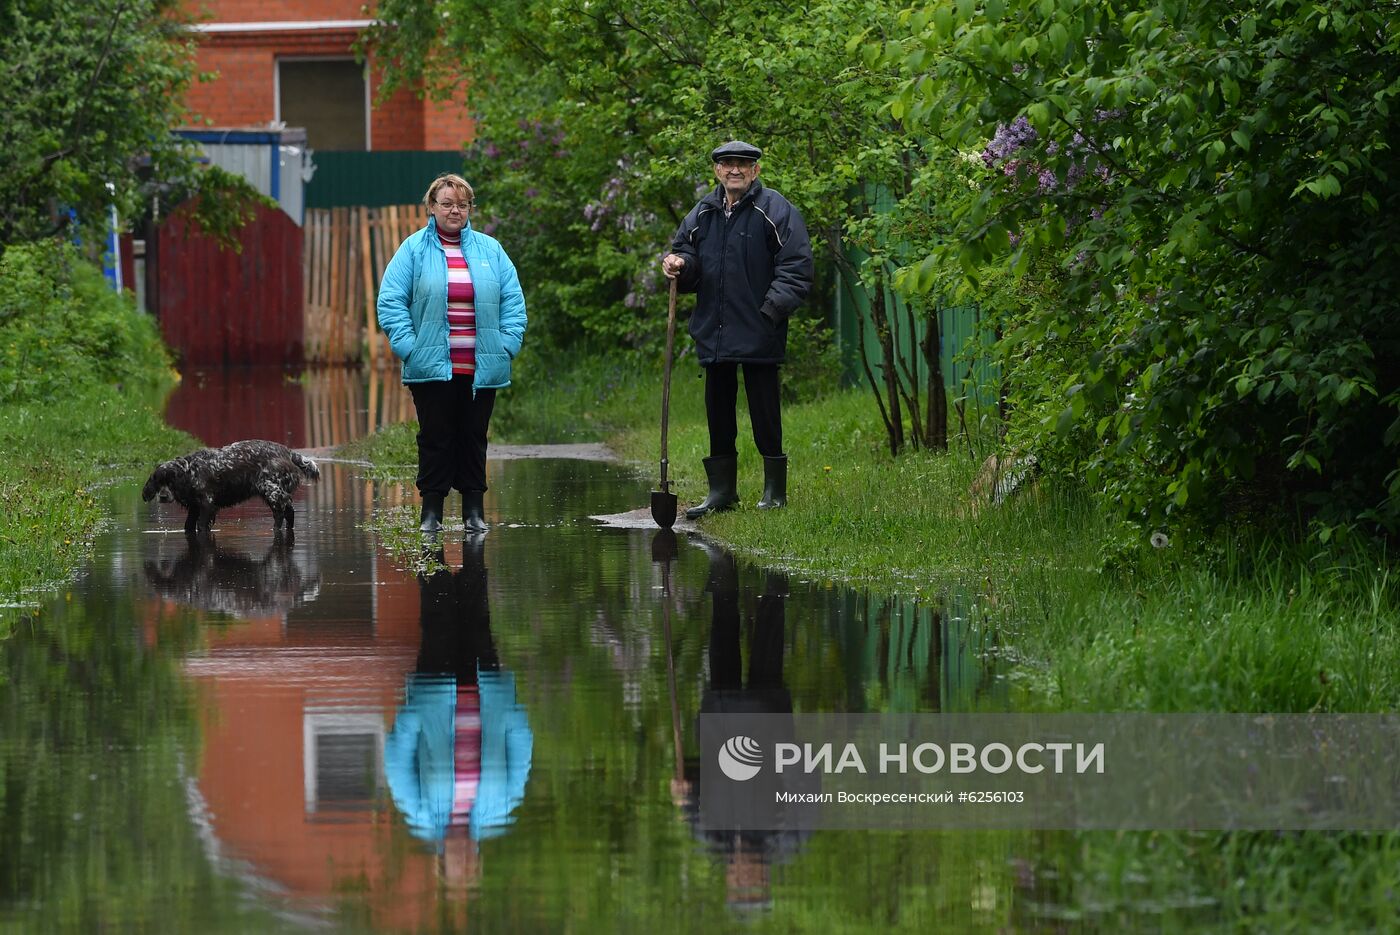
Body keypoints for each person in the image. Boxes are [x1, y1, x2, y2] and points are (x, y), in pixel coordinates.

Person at [661, 140, 814, 518]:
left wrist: (769, 313)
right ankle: (722, 493)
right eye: (727, 164)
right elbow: (689, 253)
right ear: (717, 171)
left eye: (743, 165)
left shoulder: (775, 209)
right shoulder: (704, 212)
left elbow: (796, 266)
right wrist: (678, 263)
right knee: (718, 410)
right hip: (714, 329)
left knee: (765, 411)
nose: (735, 170)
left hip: (760, 327)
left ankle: (774, 493)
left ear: (755, 171)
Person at [377, 173, 527, 533]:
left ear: (470, 209)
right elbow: (391, 302)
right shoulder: (413, 249)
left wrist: (507, 345)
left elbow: (514, 303)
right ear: (432, 208)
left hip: (481, 365)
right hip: (431, 366)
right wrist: (409, 348)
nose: (454, 210)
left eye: (462, 204)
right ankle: (431, 513)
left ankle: (474, 512)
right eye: (447, 203)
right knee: (435, 437)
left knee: (474, 436)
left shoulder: (491, 251)